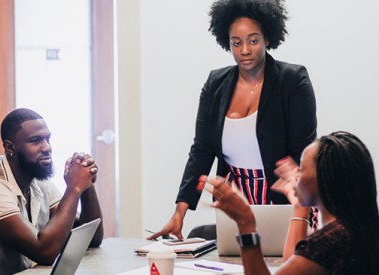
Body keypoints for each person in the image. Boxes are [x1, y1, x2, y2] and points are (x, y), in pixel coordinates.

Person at [149, 0, 317, 240]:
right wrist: (180, 211)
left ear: (267, 38)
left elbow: (304, 148)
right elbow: (202, 150)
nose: (245, 50)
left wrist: (296, 182)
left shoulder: (292, 80)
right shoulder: (215, 84)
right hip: (235, 199)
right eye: (236, 43)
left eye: (253, 41)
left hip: (284, 198)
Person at [0, 108, 103, 274]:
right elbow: (45, 252)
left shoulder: (37, 179)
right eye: (35, 141)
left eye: (47, 139)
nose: (47, 148)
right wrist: (74, 188)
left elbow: (92, 238)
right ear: (9, 147)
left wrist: (86, 181)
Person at [207, 131, 379, 274]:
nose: (296, 176)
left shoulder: (328, 243)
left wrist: (246, 223)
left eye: (302, 169)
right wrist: (299, 206)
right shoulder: (353, 230)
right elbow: (294, 264)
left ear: (324, 179)